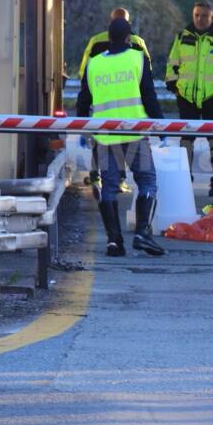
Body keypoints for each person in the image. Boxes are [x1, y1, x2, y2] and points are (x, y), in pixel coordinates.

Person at [76, 18, 166, 257]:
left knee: (110, 186)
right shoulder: (137, 58)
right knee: (147, 181)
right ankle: (141, 233)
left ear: (109, 38)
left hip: (105, 137)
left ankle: (114, 241)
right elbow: (149, 95)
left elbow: (83, 100)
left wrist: (84, 130)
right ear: (129, 38)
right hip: (134, 133)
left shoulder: (94, 64)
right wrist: (162, 126)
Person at [166, 1, 213, 196]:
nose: (200, 19)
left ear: (212, 17)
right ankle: (184, 179)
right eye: (197, 15)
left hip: (212, 97)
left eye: (204, 15)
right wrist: (174, 85)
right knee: (186, 140)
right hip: (186, 97)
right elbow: (173, 63)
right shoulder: (182, 37)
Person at [78, 8, 151, 195]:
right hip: (131, 115)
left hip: (104, 105)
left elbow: (84, 70)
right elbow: (145, 74)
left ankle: (99, 177)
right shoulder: (137, 43)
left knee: (103, 145)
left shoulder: (96, 41)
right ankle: (119, 181)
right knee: (145, 175)